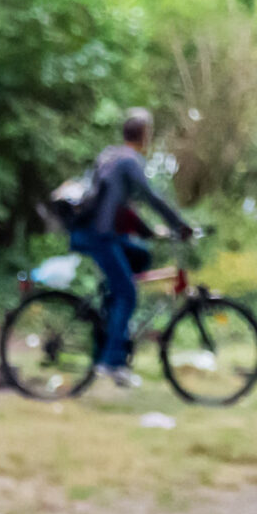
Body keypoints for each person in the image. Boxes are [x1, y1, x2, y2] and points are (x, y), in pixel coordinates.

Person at [72, 108, 195, 388]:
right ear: (145, 135)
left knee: (142, 255)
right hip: (101, 237)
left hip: (98, 233)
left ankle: (109, 325)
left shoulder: (110, 155)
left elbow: (120, 206)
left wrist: (149, 232)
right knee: (127, 292)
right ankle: (111, 362)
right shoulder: (129, 161)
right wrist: (180, 225)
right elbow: (151, 197)